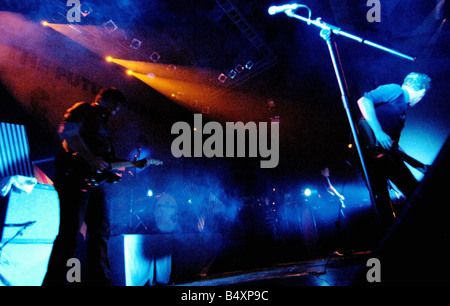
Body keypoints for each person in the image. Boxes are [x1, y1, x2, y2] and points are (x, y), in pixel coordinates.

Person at [43, 87, 148, 286]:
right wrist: (91, 158)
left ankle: (100, 282)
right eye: (115, 106)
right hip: (73, 179)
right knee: (69, 235)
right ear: (103, 99)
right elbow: (68, 133)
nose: (115, 112)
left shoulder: (104, 127)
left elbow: (105, 161)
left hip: (93, 185)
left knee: (100, 232)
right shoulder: (83, 109)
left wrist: (129, 166)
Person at [357, 72, 431, 229]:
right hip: (370, 155)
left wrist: (416, 164)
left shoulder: (402, 111)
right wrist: (378, 132)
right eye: (423, 96)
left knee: (411, 191)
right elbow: (363, 100)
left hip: (386, 156)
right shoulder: (396, 90)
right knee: (382, 199)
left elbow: (393, 145)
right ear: (421, 92)